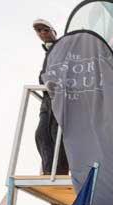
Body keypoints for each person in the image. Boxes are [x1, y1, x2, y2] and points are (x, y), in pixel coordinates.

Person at [33, 19, 69, 175]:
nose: (42, 33)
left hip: (60, 101)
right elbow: (44, 77)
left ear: (54, 31)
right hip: (47, 103)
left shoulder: (64, 48)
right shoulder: (48, 52)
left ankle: (59, 173)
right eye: (39, 31)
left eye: (45, 30)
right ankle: (49, 173)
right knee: (41, 135)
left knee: (57, 136)